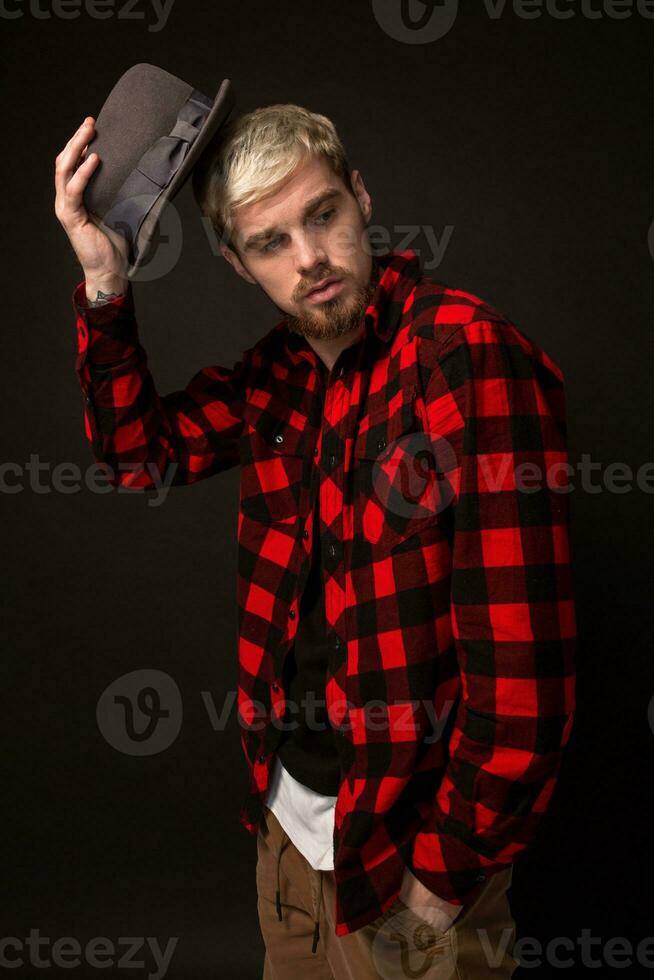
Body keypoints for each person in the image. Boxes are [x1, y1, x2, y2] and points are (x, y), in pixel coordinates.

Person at [55, 104, 576, 979]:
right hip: (290, 846)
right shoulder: (278, 377)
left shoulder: (466, 359)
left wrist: (440, 882)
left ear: (361, 197)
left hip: (413, 864)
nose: (310, 260)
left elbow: (526, 680)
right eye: (270, 242)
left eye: (323, 214)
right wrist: (106, 285)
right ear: (234, 262)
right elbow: (139, 456)